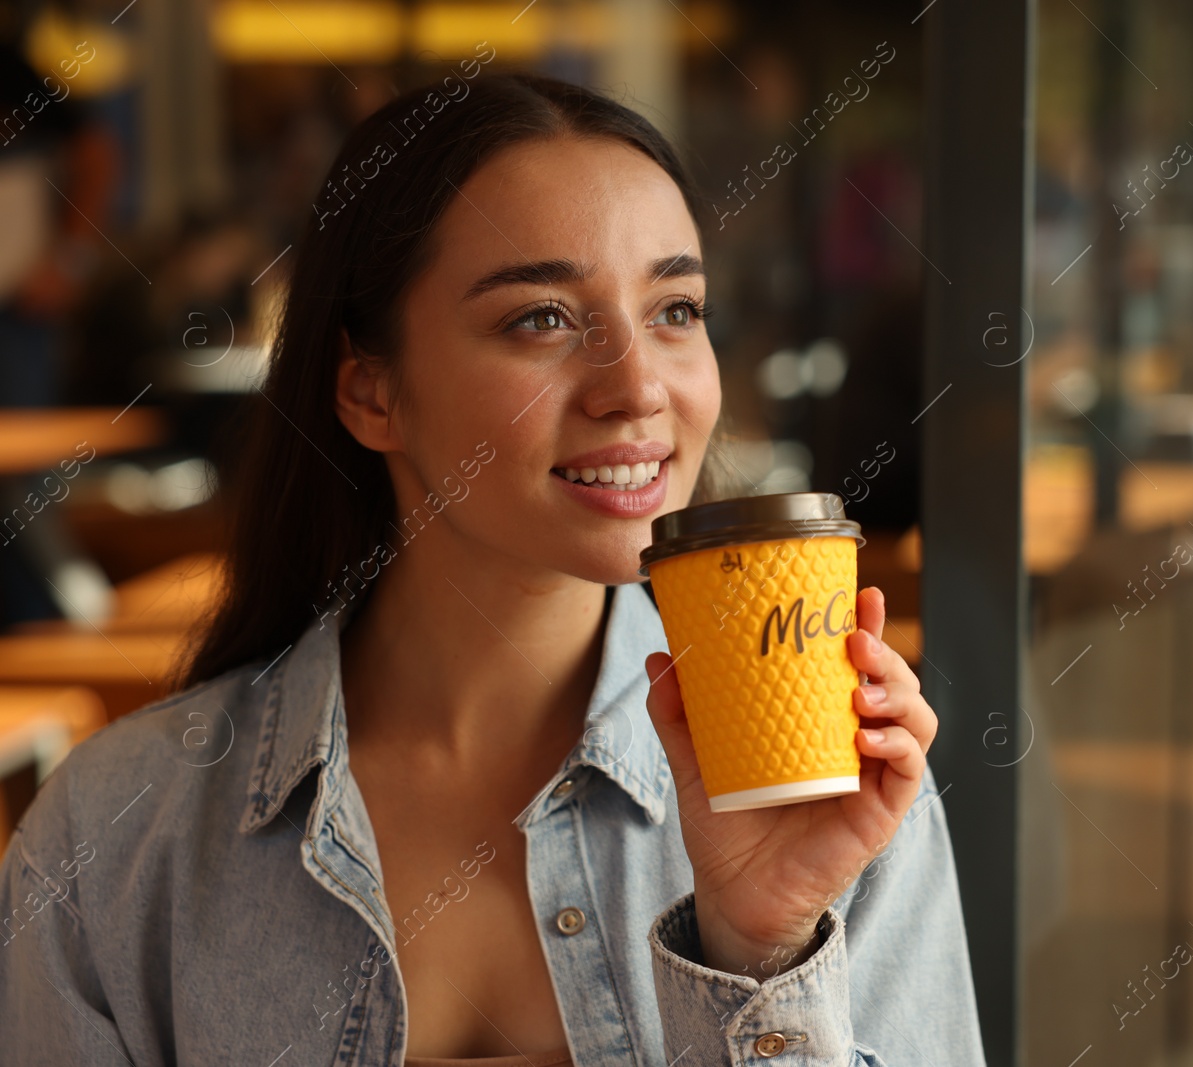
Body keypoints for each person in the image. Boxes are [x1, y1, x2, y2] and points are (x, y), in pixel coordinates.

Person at [0, 70, 987, 1066]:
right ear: (369, 392)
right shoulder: (114, 836)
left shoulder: (823, 784)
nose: (639, 386)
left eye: (676, 309)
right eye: (541, 319)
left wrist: (764, 948)